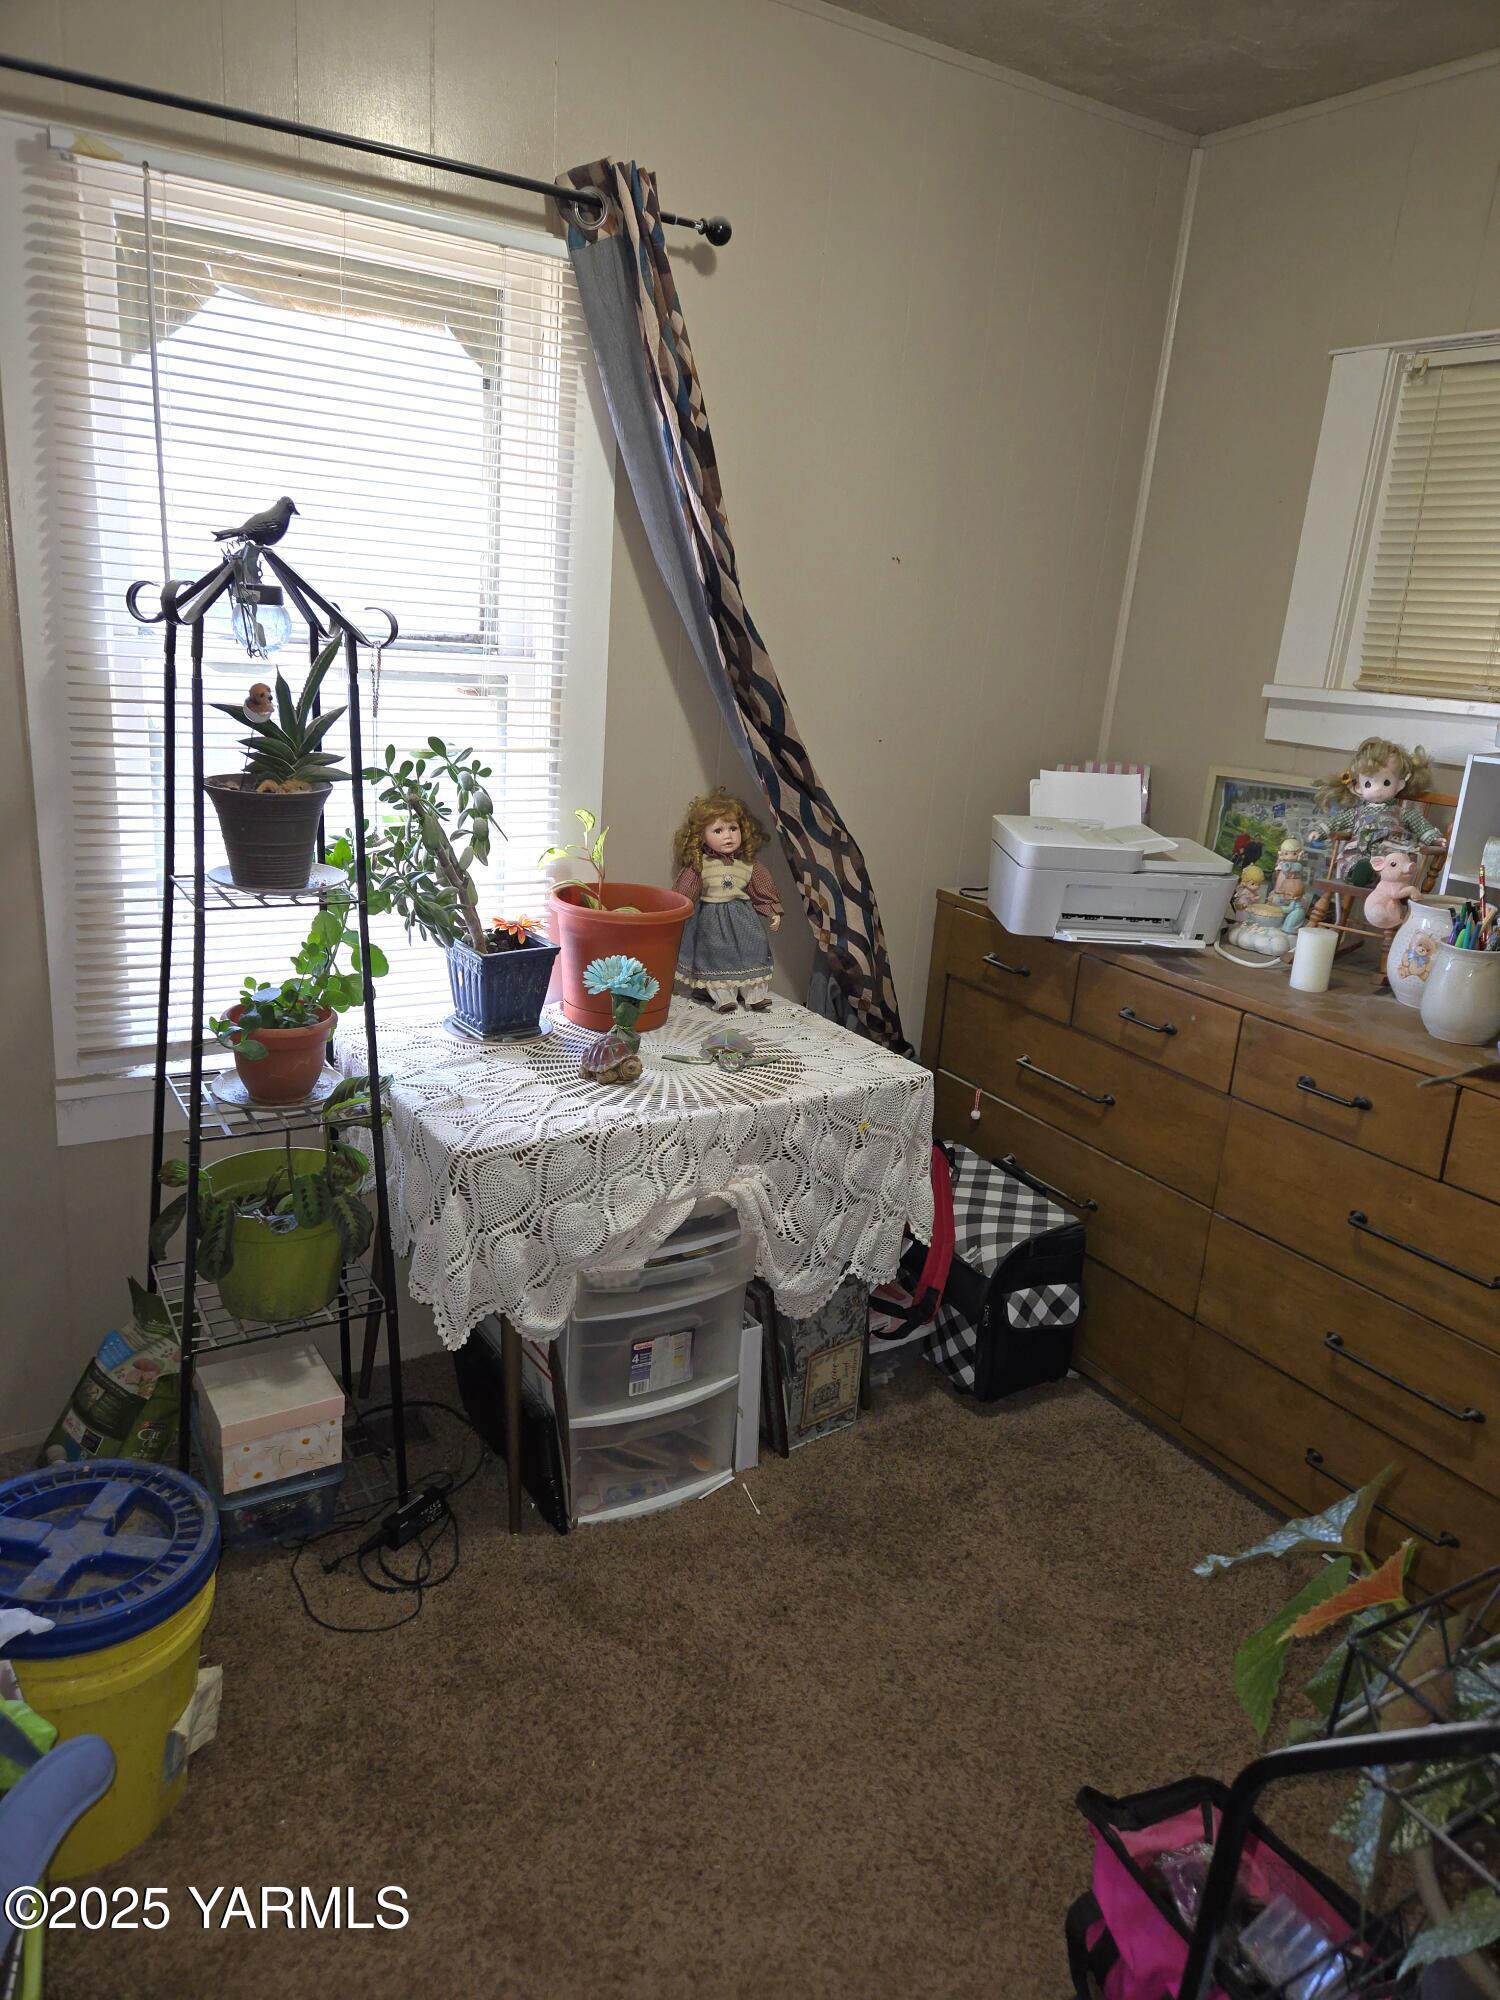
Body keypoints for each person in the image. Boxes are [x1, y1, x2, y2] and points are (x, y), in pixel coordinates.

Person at [671, 790, 782, 1011]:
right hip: (710, 921)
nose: (728, 836)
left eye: (733, 828)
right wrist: (675, 913)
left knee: (754, 951)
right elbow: (685, 893)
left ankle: (754, 995)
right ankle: (724, 998)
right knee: (715, 956)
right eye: (718, 830)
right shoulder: (700, 864)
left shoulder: (749, 864)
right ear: (702, 836)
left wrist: (772, 911)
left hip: (744, 920)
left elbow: (762, 888)